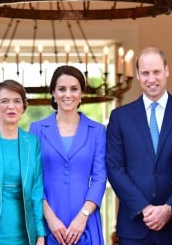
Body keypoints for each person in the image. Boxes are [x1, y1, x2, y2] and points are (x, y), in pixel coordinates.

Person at [106, 47, 172, 244]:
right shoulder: (120, 117)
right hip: (134, 225)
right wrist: (144, 208)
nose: (151, 79)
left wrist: (169, 207)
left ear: (166, 71)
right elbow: (115, 168)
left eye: (156, 72)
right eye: (145, 73)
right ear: (137, 75)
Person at [29, 65, 106, 245]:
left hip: (85, 220)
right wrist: (50, 219)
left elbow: (100, 178)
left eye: (74, 89)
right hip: (46, 219)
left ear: (81, 93)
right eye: (62, 89)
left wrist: (83, 216)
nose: (67, 94)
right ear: (53, 93)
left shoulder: (97, 131)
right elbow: (32, 179)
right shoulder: (37, 129)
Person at [0, 80, 45, 245]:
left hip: (25, 234)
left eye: (17, 101)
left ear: (23, 107)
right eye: (4, 101)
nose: (11, 106)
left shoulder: (32, 143)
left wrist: (40, 235)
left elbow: (36, 191)